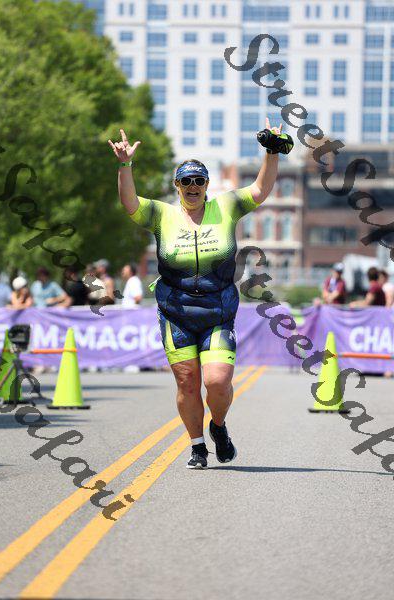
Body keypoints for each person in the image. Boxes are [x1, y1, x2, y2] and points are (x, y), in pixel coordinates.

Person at [108, 119, 291, 469]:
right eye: (186, 181)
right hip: (176, 313)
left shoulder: (226, 207)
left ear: (207, 185)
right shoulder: (161, 214)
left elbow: (260, 189)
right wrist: (125, 165)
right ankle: (197, 446)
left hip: (217, 311)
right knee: (188, 382)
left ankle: (218, 426)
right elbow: (129, 203)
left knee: (217, 382)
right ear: (177, 186)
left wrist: (271, 152)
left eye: (199, 181)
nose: (193, 186)